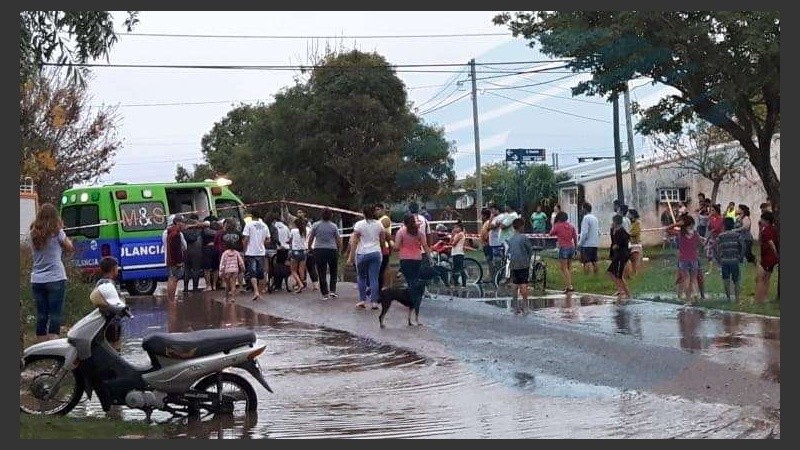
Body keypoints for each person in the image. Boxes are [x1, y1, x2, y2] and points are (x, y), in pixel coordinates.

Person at [28, 203, 74, 342]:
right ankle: (53, 345)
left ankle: (41, 348)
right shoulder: (57, 233)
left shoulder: (33, 234)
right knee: (55, 315)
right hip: (55, 277)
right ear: (55, 217)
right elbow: (69, 248)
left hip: (37, 279)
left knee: (42, 315)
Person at [348, 205, 387, 310]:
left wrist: (351, 256)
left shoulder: (359, 225)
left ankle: (362, 300)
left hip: (362, 253)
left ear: (363, 213)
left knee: (362, 277)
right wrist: (383, 250)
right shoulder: (379, 224)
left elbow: (354, 241)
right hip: (375, 252)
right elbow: (382, 239)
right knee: (374, 277)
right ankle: (374, 302)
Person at [394, 213, 432, 306]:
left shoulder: (401, 232)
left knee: (409, 279)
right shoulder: (419, 232)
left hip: (405, 259)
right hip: (417, 258)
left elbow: (396, 247)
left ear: (404, 222)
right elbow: (425, 245)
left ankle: (412, 297)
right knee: (414, 278)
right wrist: (430, 257)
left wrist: (392, 244)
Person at [308, 207, 343, 300]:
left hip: (319, 249)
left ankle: (324, 293)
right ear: (331, 215)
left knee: (321, 272)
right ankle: (332, 290)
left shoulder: (316, 225)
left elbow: (311, 238)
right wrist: (339, 250)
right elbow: (338, 240)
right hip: (332, 249)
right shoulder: (334, 226)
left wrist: (309, 247)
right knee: (333, 271)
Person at [670, 215, 703, 304]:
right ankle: (696, 294)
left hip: (683, 259)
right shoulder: (695, 233)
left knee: (686, 279)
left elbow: (667, 229)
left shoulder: (680, 234)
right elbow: (701, 244)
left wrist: (676, 224)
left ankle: (688, 300)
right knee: (694, 278)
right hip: (694, 258)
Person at [94, 256, 123, 351]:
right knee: (115, 343)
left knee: (106, 342)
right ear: (114, 269)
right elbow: (116, 301)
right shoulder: (111, 284)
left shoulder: (99, 283)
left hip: (102, 320)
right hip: (114, 320)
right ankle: (117, 360)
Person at [241, 210, 271, 301]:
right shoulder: (264, 225)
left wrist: (244, 250)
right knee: (261, 273)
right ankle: (260, 292)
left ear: (252, 216)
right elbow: (268, 239)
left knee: (252, 272)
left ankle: (256, 291)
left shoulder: (249, 225)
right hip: (261, 252)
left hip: (251, 252)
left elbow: (246, 238)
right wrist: (261, 243)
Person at [506, 218, 534, 312]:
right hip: (523, 263)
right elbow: (530, 250)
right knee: (523, 284)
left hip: (513, 264)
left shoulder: (511, 238)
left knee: (514, 284)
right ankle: (525, 306)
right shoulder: (524, 238)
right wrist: (528, 259)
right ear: (521, 226)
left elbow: (509, 251)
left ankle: (515, 306)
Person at [716, 217, 743, 302]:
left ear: (724, 225)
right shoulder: (737, 235)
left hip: (725, 260)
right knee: (736, 280)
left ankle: (728, 298)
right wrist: (740, 256)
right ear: (733, 225)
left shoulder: (721, 236)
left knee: (726, 279)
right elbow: (743, 245)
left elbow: (715, 246)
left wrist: (718, 257)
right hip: (735, 260)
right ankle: (737, 299)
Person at [550, 211, 578, 293]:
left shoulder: (558, 226)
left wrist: (554, 225)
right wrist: (576, 247)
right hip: (571, 247)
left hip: (563, 247)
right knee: (569, 268)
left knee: (564, 268)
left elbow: (551, 233)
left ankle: (569, 286)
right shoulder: (571, 226)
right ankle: (568, 284)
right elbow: (575, 237)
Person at [755, 211, 779, 304]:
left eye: (762, 219)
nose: (760, 220)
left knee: (763, 278)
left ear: (767, 221)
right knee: (765, 277)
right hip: (767, 257)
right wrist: (760, 229)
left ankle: (761, 298)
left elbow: (771, 242)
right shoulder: (768, 229)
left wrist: (776, 254)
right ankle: (763, 297)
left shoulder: (768, 230)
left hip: (768, 258)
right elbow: (760, 240)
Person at [607, 214, 631, 300]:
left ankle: (628, 294)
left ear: (616, 222)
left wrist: (615, 246)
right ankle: (620, 289)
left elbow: (617, 244)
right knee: (610, 272)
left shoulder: (621, 232)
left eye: (613, 222)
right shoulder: (616, 231)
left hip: (621, 255)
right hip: (618, 255)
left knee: (619, 276)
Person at [163, 214, 187, 302]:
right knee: (174, 279)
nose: (184, 224)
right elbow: (180, 247)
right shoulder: (176, 234)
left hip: (168, 259)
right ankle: (171, 300)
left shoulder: (167, 232)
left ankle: (170, 299)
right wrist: (179, 261)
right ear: (177, 222)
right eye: (183, 222)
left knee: (171, 278)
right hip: (174, 261)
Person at [181, 214, 204, 293]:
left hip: (186, 251)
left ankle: (185, 288)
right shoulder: (198, 228)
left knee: (187, 270)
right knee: (196, 270)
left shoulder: (184, 228)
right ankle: (195, 288)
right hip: (197, 251)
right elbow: (207, 225)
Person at [218, 238, 245, 303]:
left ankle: (226, 297)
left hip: (227, 271)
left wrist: (221, 271)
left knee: (227, 285)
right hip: (235, 270)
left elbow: (222, 263)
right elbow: (240, 262)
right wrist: (243, 268)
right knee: (233, 284)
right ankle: (233, 298)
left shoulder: (225, 253)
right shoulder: (236, 253)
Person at [577, 202, 600, 275]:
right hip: (594, 243)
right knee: (594, 261)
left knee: (586, 261)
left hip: (587, 244)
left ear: (585, 209)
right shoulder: (595, 218)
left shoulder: (586, 218)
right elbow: (598, 232)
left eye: (582, 208)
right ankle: (596, 275)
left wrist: (580, 243)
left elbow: (584, 232)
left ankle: (586, 276)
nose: (581, 210)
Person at [376, 203, 394, 291]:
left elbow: (380, 228)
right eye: (375, 210)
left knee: (386, 267)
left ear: (382, 210)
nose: (376, 212)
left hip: (385, 245)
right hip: (378, 245)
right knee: (384, 266)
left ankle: (388, 285)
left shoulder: (385, 219)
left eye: (378, 210)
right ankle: (385, 284)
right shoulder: (378, 220)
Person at [288, 217, 309, 293]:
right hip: (303, 251)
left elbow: (290, 240)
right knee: (301, 270)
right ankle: (302, 281)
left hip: (295, 251)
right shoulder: (304, 230)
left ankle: (299, 284)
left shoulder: (293, 230)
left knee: (293, 270)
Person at [201, 216, 221, 291]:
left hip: (207, 249)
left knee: (207, 269)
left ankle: (208, 286)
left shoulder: (205, 230)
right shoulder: (218, 229)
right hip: (216, 249)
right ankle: (214, 285)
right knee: (215, 268)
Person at [449, 221, 468, 288]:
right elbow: (450, 242)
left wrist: (453, 238)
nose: (454, 229)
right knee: (455, 268)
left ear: (460, 228)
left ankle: (464, 284)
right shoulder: (456, 234)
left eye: (456, 227)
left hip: (459, 253)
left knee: (460, 268)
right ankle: (455, 282)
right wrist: (452, 235)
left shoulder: (460, 234)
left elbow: (453, 244)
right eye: (454, 228)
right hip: (454, 252)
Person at [627, 209, 643, 277]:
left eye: (629, 214)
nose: (628, 215)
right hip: (629, 243)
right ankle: (630, 274)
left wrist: (627, 233)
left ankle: (635, 274)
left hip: (635, 244)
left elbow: (635, 233)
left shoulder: (637, 223)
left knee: (635, 260)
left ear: (632, 215)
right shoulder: (628, 223)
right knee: (629, 260)